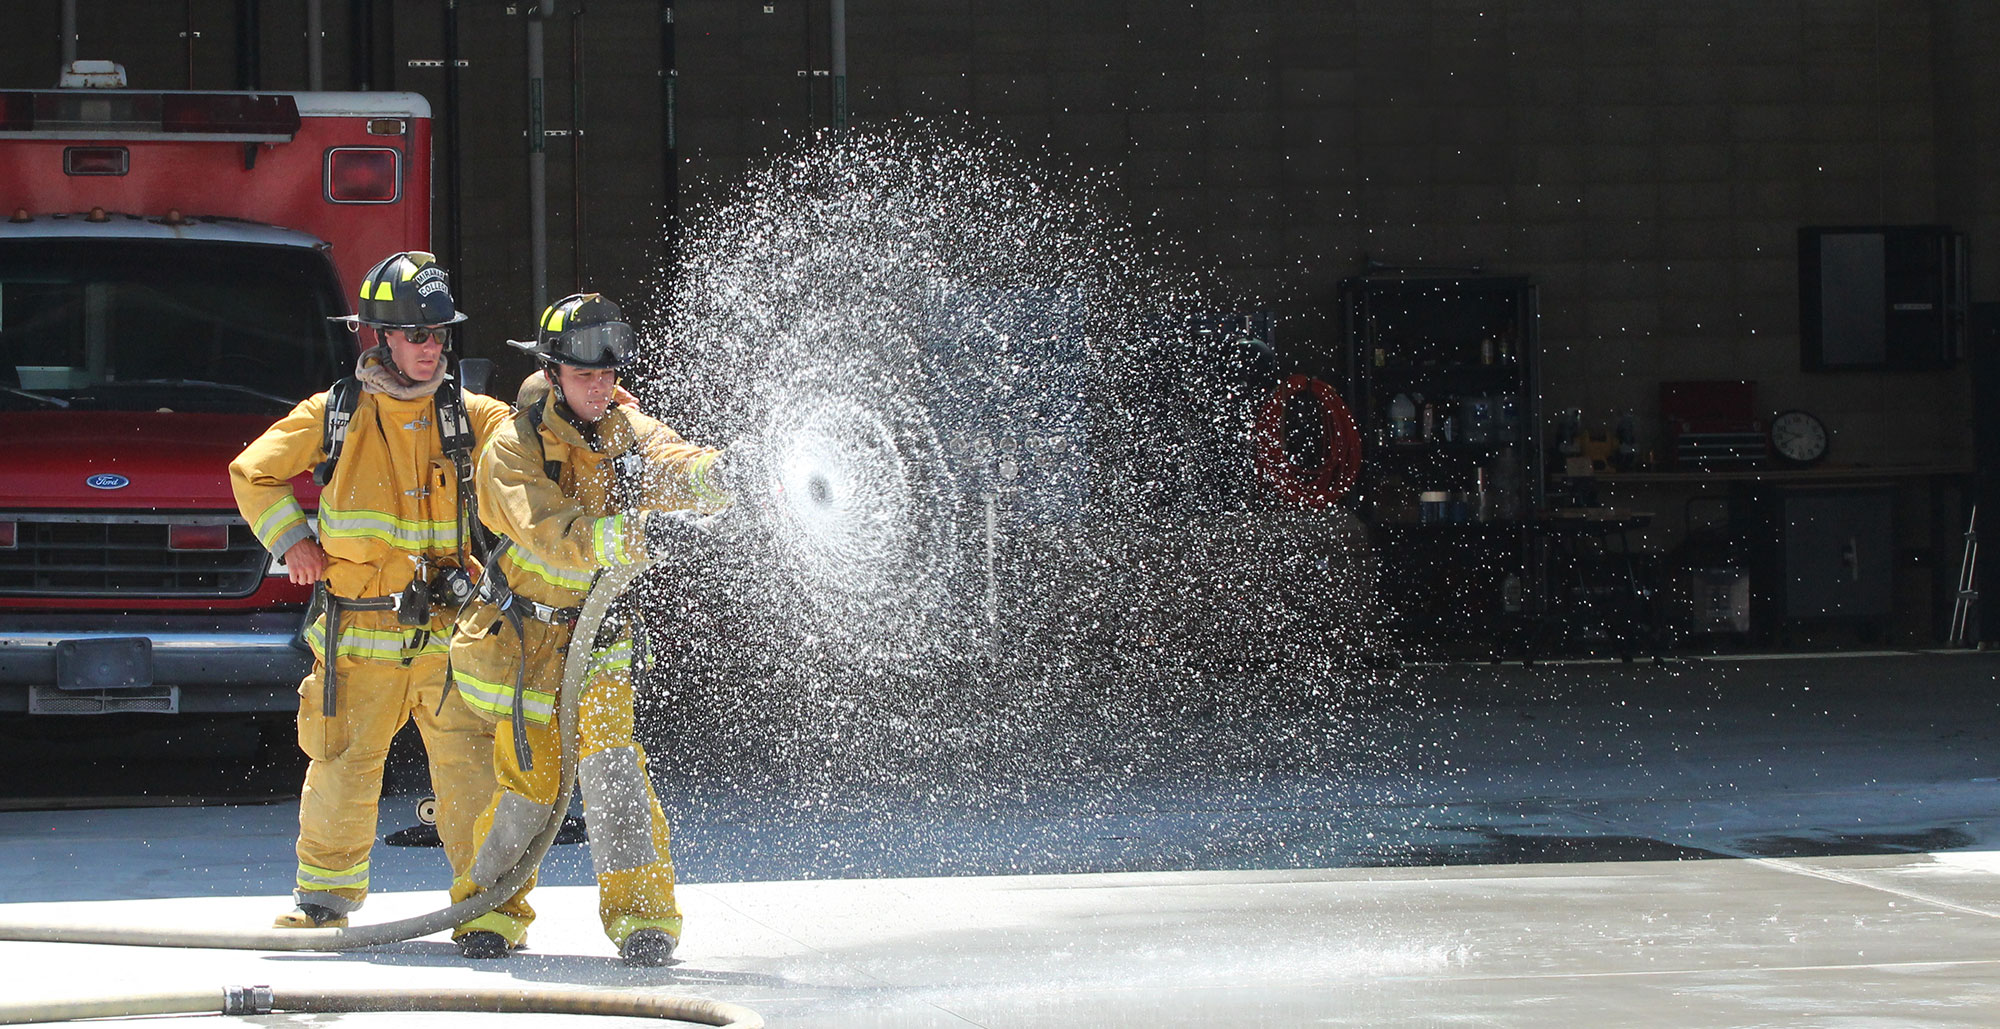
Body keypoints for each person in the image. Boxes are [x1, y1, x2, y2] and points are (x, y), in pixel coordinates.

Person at [445, 292, 731, 965]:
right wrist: (637, 532)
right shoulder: (511, 450)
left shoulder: (623, 429)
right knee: (532, 787)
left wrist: (717, 477)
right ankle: (489, 911)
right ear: (550, 373)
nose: (602, 386)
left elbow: (673, 462)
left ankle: (643, 918)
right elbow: (553, 534)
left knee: (612, 770)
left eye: (609, 374)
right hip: (526, 643)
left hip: (599, 641)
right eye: (585, 375)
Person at [230, 251, 512, 929]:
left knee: (471, 776)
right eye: (418, 334)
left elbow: (527, 434)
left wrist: (577, 401)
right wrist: (291, 542)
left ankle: (489, 909)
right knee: (341, 768)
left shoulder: (467, 413)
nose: (432, 346)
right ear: (382, 336)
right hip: (359, 640)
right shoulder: (336, 412)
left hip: (448, 639)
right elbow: (252, 472)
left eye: (441, 334)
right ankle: (324, 901)